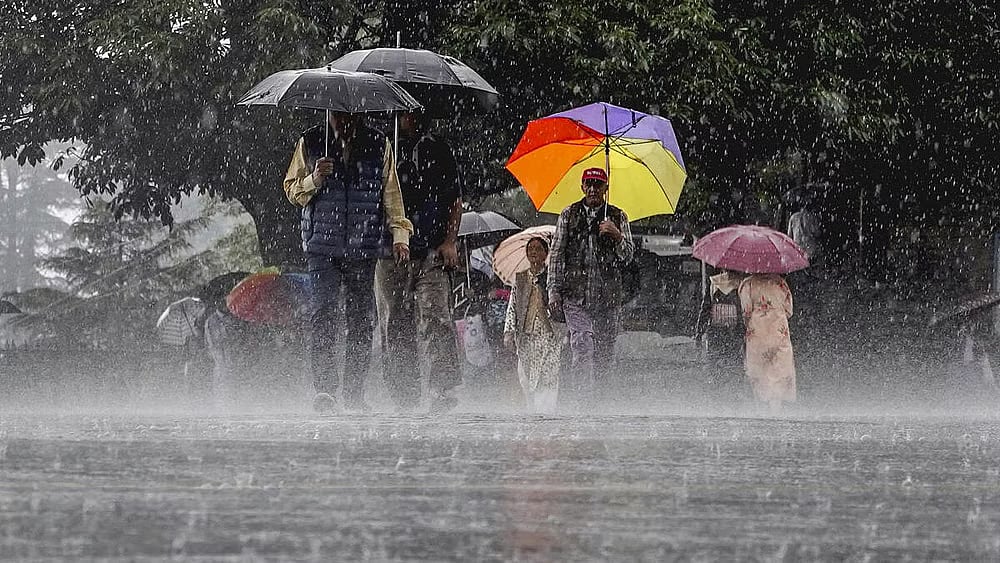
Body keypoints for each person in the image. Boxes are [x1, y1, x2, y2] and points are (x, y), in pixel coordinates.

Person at [283, 111, 412, 414]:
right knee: (323, 314)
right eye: (339, 116)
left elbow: (391, 194)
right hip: (321, 247)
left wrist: (399, 234)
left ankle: (354, 392)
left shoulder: (379, 143)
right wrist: (314, 179)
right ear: (330, 113)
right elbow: (292, 190)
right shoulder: (311, 141)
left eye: (350, 116)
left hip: (363, 245)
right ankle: (325, 390)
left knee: (360, 320)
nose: (344, 122)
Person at [374, 111, 463, 413]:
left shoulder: (439, 148)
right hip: (389, 251)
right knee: (393, 323)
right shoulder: (383, 147)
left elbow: (454, 199)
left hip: (432, 251)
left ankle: (442, 388)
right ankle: (403, 393)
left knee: (436, 317)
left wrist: (450, 240)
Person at [547, 167, 635, 407]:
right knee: (582, 344)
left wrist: (616, 235)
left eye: (598, 184)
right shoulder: (569, 214)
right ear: (582, 186)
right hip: (575, 295)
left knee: (605, 351)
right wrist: (553, 291)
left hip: (608, 296)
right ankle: (582, 400)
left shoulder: (618, 216)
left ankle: (602, 401)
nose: (593, 189)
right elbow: (556, 253)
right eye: (589, 184)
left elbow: (628, 257)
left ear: (606, 188)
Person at [503, 236, 564, 413]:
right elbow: (512, 307)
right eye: (531, 249)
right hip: (526, 337)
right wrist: (509, 331)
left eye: (538, 249)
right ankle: (532, 411)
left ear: (546, 253)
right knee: (526, 377)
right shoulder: (520, 280)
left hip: (549, 335)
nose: (534, 252)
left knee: (548, 375)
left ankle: (546, 411)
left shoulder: (553, 278)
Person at [738, 273, 797, 412]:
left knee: (759, 369)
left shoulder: (748, 284)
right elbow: (789, 310)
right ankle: (776, 406)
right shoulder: (781, 283)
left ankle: (761, 406)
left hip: (758, 331)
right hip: (778, 330)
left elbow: (746, 311)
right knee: (779, 368)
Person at [695, 269, 747, 404]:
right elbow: (744, 310)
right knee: (735, 363)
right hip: (735, 331)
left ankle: (716, 394)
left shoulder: (714, 282)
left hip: (716, 330)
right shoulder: (742, 284)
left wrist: (699, 333)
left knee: (715, 363)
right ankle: (734, 395)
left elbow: (705, 308)